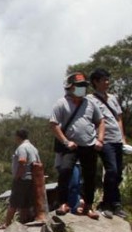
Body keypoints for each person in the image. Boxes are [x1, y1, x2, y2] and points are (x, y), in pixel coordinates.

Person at [50, 71, 103, 217]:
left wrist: (100, 139)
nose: (82, 89)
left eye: (84, 86)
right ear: (70, 87)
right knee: (65, 171)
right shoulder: (61, 103)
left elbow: (100, 121)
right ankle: (63, 204)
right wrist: (66, 141)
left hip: (89, 144)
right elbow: (53, 124)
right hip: (71, 146)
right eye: (79, 86)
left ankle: (88, 206)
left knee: (90, 176)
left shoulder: (90, 103)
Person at [90, 68, 125, 217]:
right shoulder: (90, 100)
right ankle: (107, 203)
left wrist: (122, 137)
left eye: (107, 79)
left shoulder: (112, 98)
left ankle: (114, 203)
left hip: (117, 140)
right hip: (105, 140)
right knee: (111, 170)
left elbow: (118, 118)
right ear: (95, 82)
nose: (107, 82)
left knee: (118, 175)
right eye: (104, 80)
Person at [2, 128, 41, 229]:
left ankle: (7, 223)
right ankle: (25, 222)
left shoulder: (22, 148)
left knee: (14, 202)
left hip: (22, 178)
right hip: (31, 178)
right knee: (25, 203)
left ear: (18, 137)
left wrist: (17, 176)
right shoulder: (33, 148)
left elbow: (22, 161)